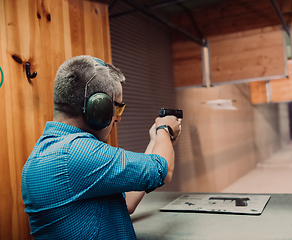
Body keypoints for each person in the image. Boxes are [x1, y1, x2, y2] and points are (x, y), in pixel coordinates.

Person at [21, 55, 181, 239]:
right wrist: (165, 129)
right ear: (99, 108)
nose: (118, 118)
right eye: (118, 108)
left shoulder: (52, 150)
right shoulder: (76, 152)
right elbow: (163, 169)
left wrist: (155, 140)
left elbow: (127, 202)